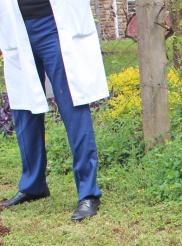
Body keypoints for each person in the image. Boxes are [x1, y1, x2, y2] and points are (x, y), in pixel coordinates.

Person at [0, 0, 109, 221]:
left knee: (73, 107)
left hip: (55, 24)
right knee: (24, 108)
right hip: (17, 25)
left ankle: (88, 193)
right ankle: (33, 185)